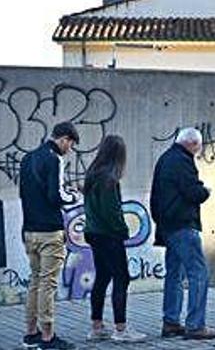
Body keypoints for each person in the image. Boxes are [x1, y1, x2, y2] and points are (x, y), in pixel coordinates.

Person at [151, 128, 215, 340]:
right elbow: (193, 192)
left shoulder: (165, 158)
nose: (198, 151)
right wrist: (205, 191)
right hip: (183, 224)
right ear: (192, 144)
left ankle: (171, 322)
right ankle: (195, 325)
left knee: (175, 275)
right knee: (199, 274)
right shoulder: (182, 161)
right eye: (198, 147)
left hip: (168, 225)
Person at [20, 122, 79, 350]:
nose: (70, 149)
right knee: (48, 283)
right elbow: (55, 196)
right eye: (71, 144)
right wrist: (73, 198)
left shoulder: (28, 158)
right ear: (64, 139)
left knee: (34, 282)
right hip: (49, 231)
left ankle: (30, 333)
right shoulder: (54, 159)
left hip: (29, 229)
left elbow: (25, 193)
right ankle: (47, 337)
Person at [83, 136, 146, 343]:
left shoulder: (92, 174)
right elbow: (112, 212)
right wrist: (122, 230)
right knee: (122, 277)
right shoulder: (109, 179)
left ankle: (97, 326)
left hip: (93, 232)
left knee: (102, 277)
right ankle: (121, 329)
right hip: (109, 235)